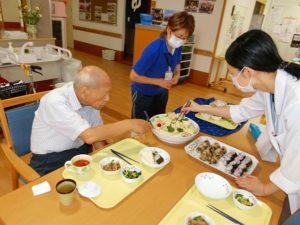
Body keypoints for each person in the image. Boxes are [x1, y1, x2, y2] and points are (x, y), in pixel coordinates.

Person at [182, 30, 300, 214]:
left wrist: (264, 189)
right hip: (289, 167)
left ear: (248, 71)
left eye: (231, 73)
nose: (232, 79)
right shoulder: (269, 85)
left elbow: (297, 160)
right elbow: (240, 111)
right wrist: (201, 108)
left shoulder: (296, 101)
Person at [30, 66, 150, 176]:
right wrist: (130, 124)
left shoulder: (90, 102)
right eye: (104, 94)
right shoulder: (54, 102)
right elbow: (90, 136)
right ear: (84, 92)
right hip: (50, 161)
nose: (108, 99)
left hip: (81, 152)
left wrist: (106, 162)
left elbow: (97, 136)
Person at [130, 11, 195, 120]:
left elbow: (177, 63)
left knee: (158, 121)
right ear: (169, 30)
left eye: (185, 38)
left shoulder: (178, 46)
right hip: (143, 93)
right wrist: (159, 82)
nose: (182, 40)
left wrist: (177, 75)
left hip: (162, 92)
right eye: (180, 36)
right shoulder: (154, 49)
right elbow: (133, 76)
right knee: (139, 125)